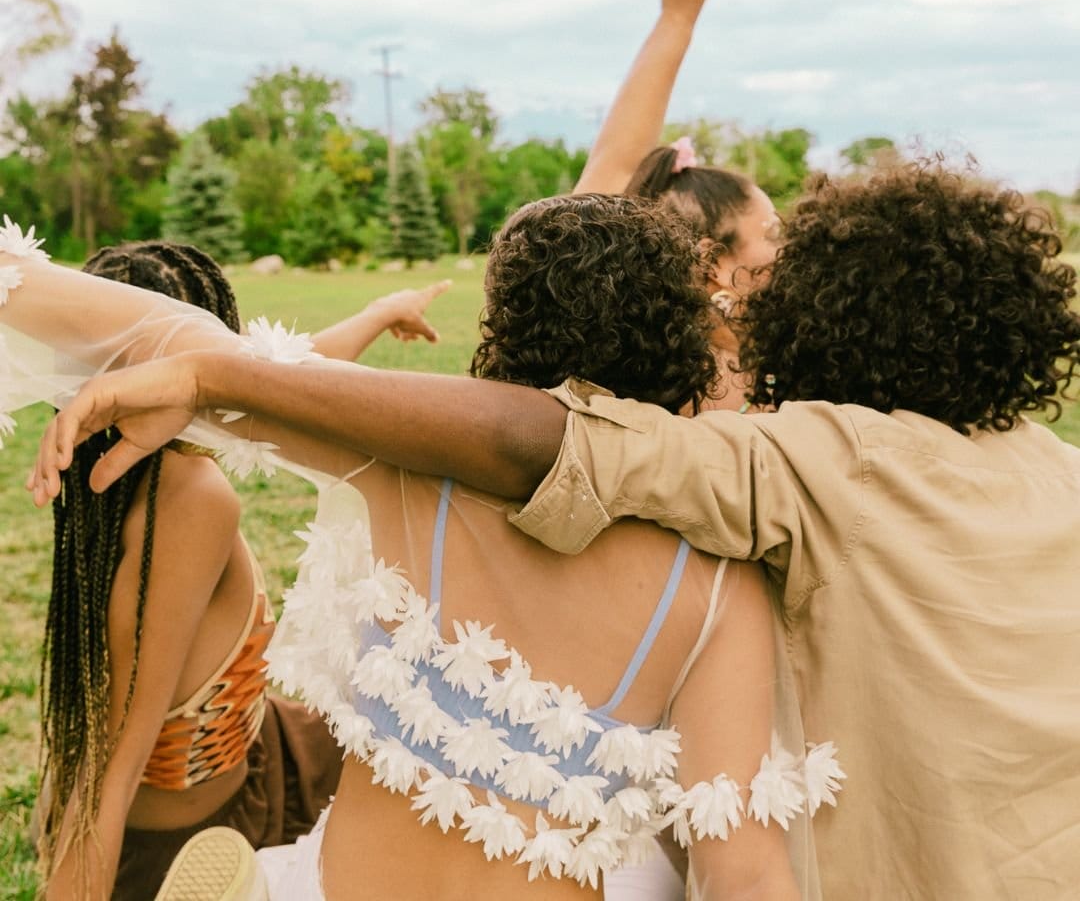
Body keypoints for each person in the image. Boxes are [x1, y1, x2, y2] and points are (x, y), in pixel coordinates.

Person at [24, 160, 1080, 899]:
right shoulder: (728, 577)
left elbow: (525, 436)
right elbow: (745, 868)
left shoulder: (410, 484)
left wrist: (192, 367)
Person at [20, 237, 451, 899]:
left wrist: (379, 311)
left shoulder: (103, 462)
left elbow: (287, 379)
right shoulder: (189, 496)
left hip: (265, 745)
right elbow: (113, 762)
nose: (235, 362)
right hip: (200, 833)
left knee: (418, 743)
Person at [576, 0, 780, 411]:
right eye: (774, 232)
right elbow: (619, 162)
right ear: (713, 265)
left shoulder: (620, 373)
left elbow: (618, 164)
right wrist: (680, 11)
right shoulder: (769, 397)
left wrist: (678, 12)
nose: (790, 248)